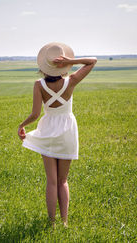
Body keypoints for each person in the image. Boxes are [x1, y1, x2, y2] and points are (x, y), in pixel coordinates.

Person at [17, 42, 97, 228]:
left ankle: (52, 223)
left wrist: (22, 125)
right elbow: (92, 61)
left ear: (44, 66)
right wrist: (71, 61)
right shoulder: (71, 81)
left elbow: (35, 114)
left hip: (47, 131)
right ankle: (64, 222)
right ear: (62, 64)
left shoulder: (39, 85)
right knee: (63, 181)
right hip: (68, 130)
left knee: (51, 182)